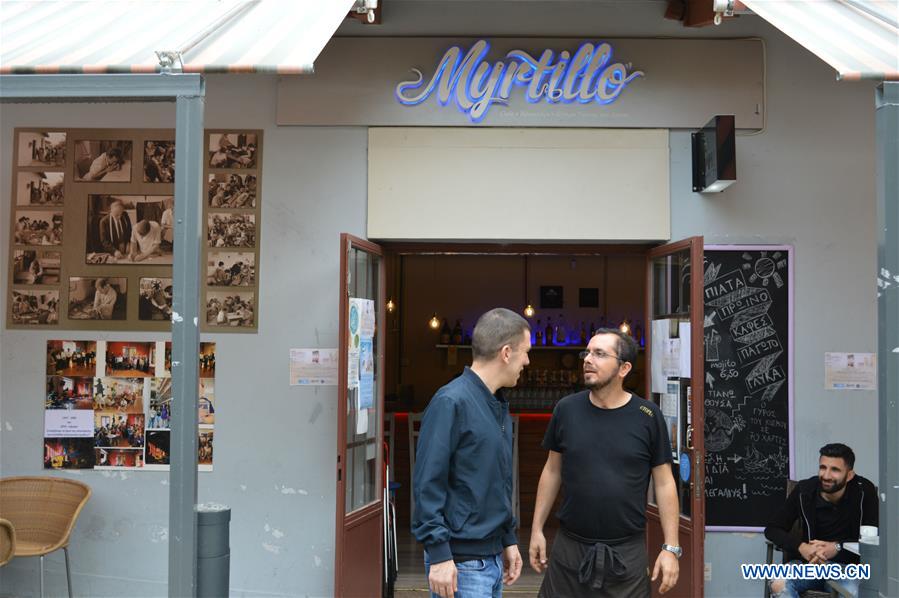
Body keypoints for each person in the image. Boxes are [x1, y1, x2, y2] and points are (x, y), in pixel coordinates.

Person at [529, 328, 680, 597]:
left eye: (599, 354)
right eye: (586, 352)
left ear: (624, 368)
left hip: (626, 553)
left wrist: (670, 548)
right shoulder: (566, 409)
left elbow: (665, 482)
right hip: (569, 548)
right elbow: (552, 470)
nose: (588, 359)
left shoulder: (647, 415)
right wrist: (537, 529)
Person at [412, 308, 529, 598]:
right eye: (525, 352)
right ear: (506, 352)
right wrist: (439, 555)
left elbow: (493, 481)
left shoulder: (497, 403)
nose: (527, 361)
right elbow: (428, 483)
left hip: (489, 559)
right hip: (460, 564)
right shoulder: (451, 401)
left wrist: (508, 539)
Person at [765, 443, 878, 598]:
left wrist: (837, 547)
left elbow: (873, 540)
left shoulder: (864, 491)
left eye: (835, 470)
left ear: (850, 475)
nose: (826, 475)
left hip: (848, 568)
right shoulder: (804, 491)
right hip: (809, 565)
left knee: (853, 593)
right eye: (823, 467)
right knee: (778, 582)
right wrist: (802, 547)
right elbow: (772, 529)